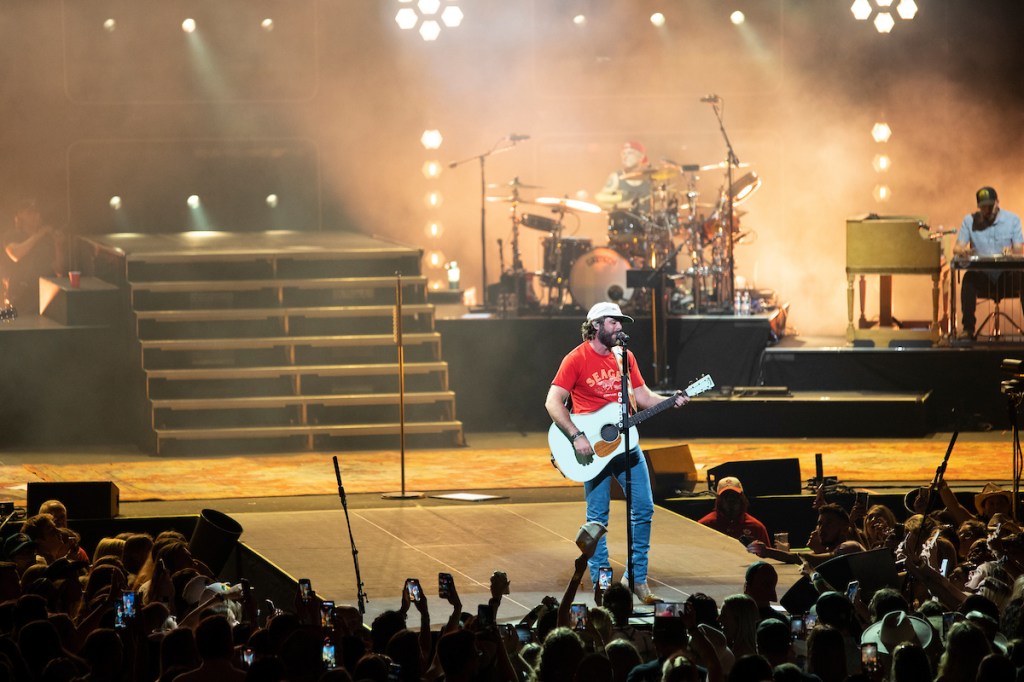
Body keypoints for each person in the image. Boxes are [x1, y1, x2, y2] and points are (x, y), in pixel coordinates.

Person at [545, 301, 689, 604]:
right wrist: (576, 435)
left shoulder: (625, 357)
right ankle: (602, 582)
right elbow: (553, 402)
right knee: (597, 519)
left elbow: (643, 396)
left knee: (644, 509)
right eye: (613, 322)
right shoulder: (576, 358)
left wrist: (671, 400)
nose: (620, 327)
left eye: (620, 322)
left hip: (626, 446)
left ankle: (637, 578)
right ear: (596, 325)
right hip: (593, 450)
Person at [953, 186, 1024, 340]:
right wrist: (963, 251)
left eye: (990, 206)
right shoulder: (970, 221)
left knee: (1023, 279)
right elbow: (957, 248)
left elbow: (1020, 248)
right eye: (983, 207)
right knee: (968, 279)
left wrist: (1012, 251)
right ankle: (968, 329)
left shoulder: (1012, 220)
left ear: (997, 202)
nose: (987, 210)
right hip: (983, 277)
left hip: (1006, 278)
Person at [1, 198, 66, 314]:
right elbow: (16, 255)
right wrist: (40, 234)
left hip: (44, 294)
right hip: (19, 295)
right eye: (30, 212)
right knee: (12, 321)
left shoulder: (46, 239)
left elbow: (59, 270)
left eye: (37, 212)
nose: (36, 215)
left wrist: (58, 245)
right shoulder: (12, 235)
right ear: (20, 216)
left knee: (43, 323)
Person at [697, 476, 771, 548]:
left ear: (742, 498)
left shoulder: (756, 527)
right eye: (726, 496)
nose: (730, 500)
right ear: (719, 500)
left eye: (734, 495)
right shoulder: (704, 525)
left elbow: (768, 555)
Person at [595, 141, 652, 210]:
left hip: (646, 216)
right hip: (623, 215)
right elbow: (600, 198)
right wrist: (621, 199)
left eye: (630, 153)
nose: (625, 157)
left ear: (641, 157)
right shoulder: (616, 177)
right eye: (623, 153)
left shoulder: (650, 177)